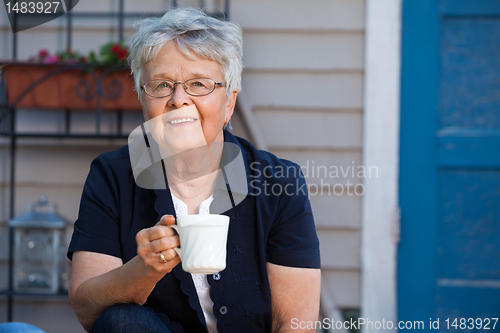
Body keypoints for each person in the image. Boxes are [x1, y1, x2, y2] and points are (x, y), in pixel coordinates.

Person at [67, 7, 321, 333]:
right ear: (144, 103)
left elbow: (294, 323)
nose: (178, 99)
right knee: (122, 321)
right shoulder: (112, 176)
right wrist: (145, 268)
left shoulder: (279, 182)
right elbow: (87, 308)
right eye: (160, 85)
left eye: (198, 84)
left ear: (229, 102)